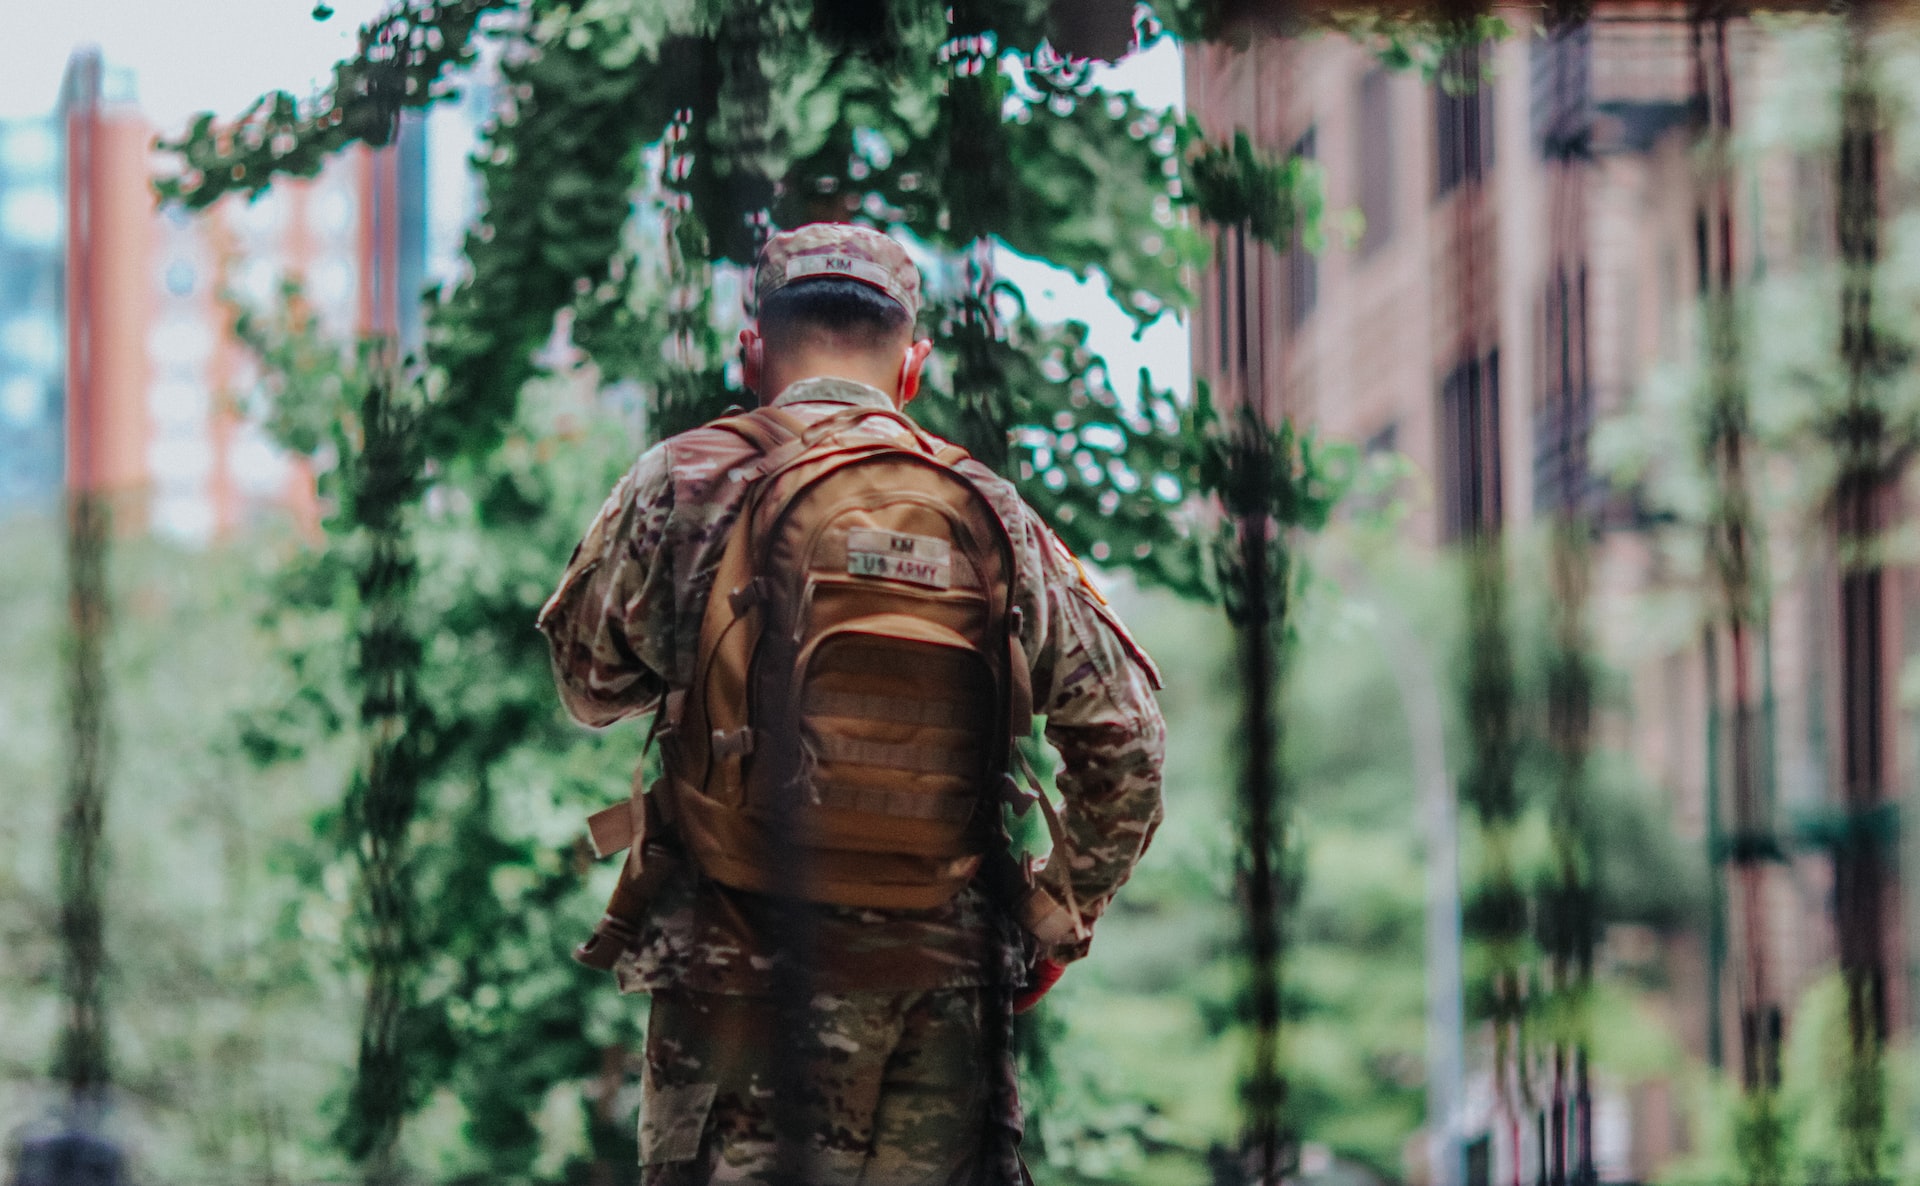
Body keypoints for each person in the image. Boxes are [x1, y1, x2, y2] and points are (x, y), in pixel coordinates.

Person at [537, 222, 1166, 1185]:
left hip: (740, 998)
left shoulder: (685, 483)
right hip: (944, 1006)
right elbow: (1127, 743)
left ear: (753, 354)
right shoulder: (990, 509)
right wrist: (1053, 915)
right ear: (912, 369)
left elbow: (589, 685)